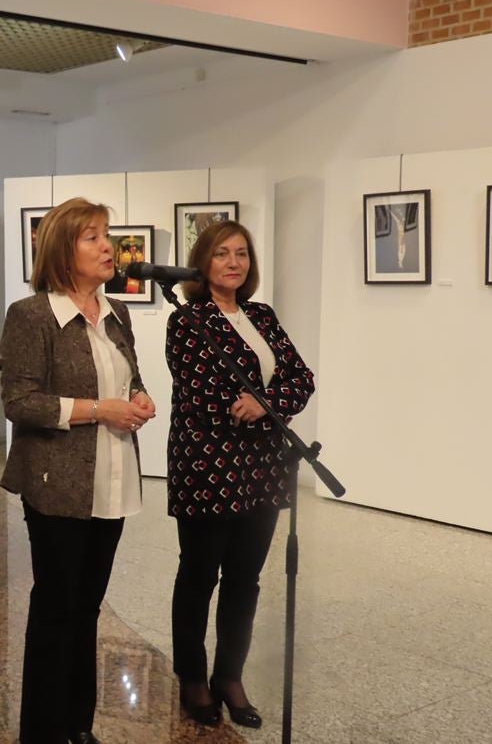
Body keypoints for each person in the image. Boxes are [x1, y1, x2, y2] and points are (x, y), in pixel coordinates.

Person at [0, 197, 157, 744]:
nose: (107, 246)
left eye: (106, 235)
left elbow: (125, 377)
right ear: (63, 250)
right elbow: (19, 402)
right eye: (92, 237)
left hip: (113, 479)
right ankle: (42, 733)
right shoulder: (31, 316)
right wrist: (98, 410)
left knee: (88, 610)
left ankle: (78, 726)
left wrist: (136, 398)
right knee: (56, 611)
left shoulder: (119, 313)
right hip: (56, 486)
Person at [165, 220, 314, 728]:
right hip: (209, 466)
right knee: (199, 576)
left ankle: (229, 675)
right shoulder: (189, 319)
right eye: (223, 253)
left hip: (265, 469)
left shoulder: (262, 315)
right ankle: (191, 676)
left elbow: (301, 377)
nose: (234, 262)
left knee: (245, 581)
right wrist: (250, 406)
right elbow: (202, 393)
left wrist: (265, 403)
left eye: (242, 254)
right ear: (202, 262)